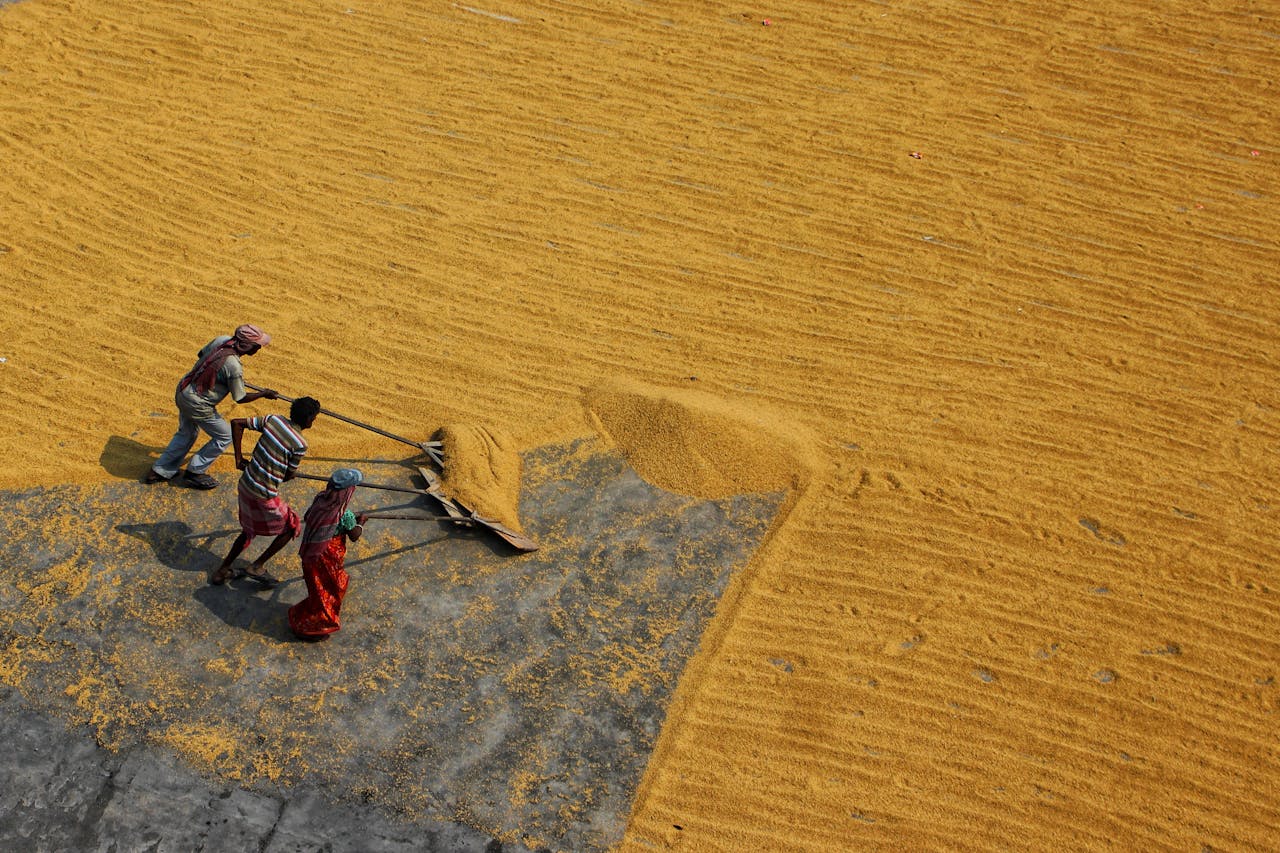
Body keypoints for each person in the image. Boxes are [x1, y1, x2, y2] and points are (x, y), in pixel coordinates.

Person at [145, 324, 278, 490]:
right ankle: (195, 471)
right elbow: (240, 397)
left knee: (187, 433)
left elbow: (202, 355)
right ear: (247, 345)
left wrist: (223, 377)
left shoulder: (222, 340)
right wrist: (263, 394)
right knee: (225, 436)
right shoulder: (234, 366)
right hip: (198, 404)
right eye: (257, 346)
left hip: (184, 389)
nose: (258, 349)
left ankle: (159, 470)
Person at [209, 395, 321, 587]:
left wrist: (239, 459)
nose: (314, 420)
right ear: (308, 419)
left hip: (246, 484)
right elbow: (287, 475)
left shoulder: (273, 420)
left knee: (248, 531)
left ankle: (222, 570)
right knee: (292, 526)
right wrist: (290, 474)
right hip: (263, 494)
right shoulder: (300, 444)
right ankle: (257, 565)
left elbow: (237, 423)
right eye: (314, 417)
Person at [288, 468, 368, 640]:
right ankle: (316, 627)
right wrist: (360, 523)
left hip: (312, 554)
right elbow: (354, 536)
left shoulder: (320, 499)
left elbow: (309, 516)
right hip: (326, 557)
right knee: (329, 588)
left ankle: (312, 615)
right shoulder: (344, 514)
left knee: (318, 588)